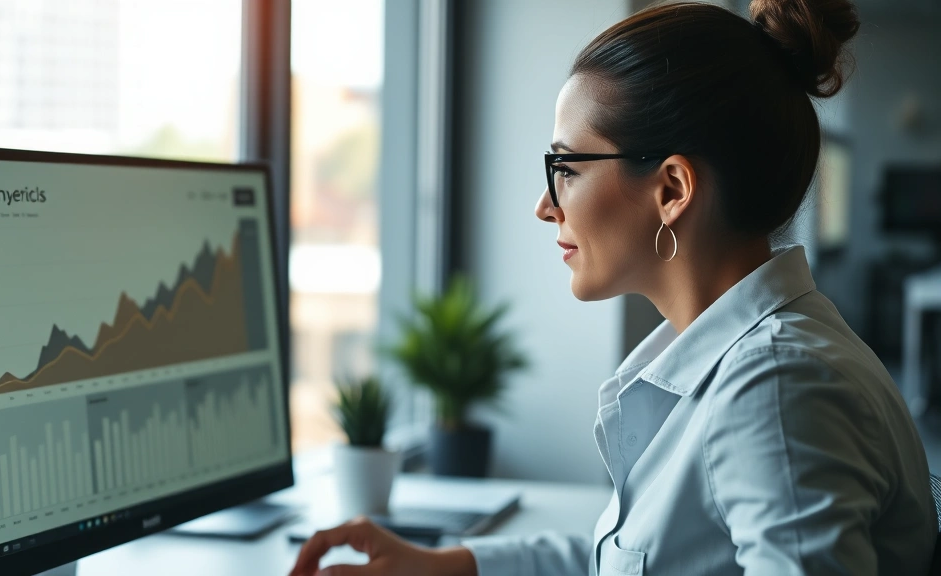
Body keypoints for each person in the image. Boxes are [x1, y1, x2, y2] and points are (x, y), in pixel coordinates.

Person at [289, 0, 938, 574]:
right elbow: (635, 562)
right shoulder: (741, 364)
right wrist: (448, 566)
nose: (546, 206)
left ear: (672, 190)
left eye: (566, 168)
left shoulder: (775, 387)